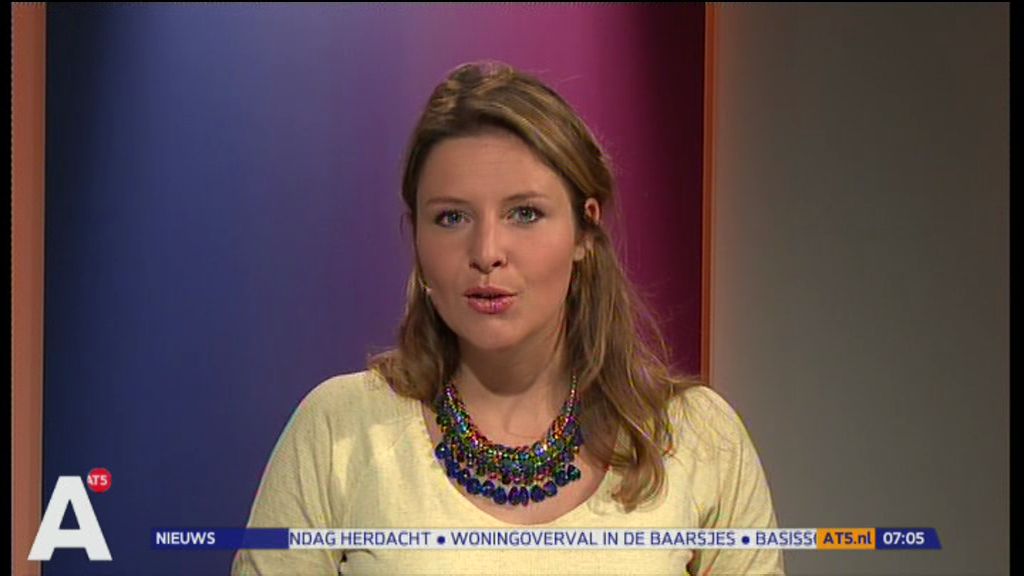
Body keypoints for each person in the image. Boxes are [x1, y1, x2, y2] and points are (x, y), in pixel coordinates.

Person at [232, 61, 784, 575]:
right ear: (416, 237)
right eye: (451, 217)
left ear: (585, 232)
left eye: (525, 213)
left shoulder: (698, 437)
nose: (487, 251)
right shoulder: (339, 429)